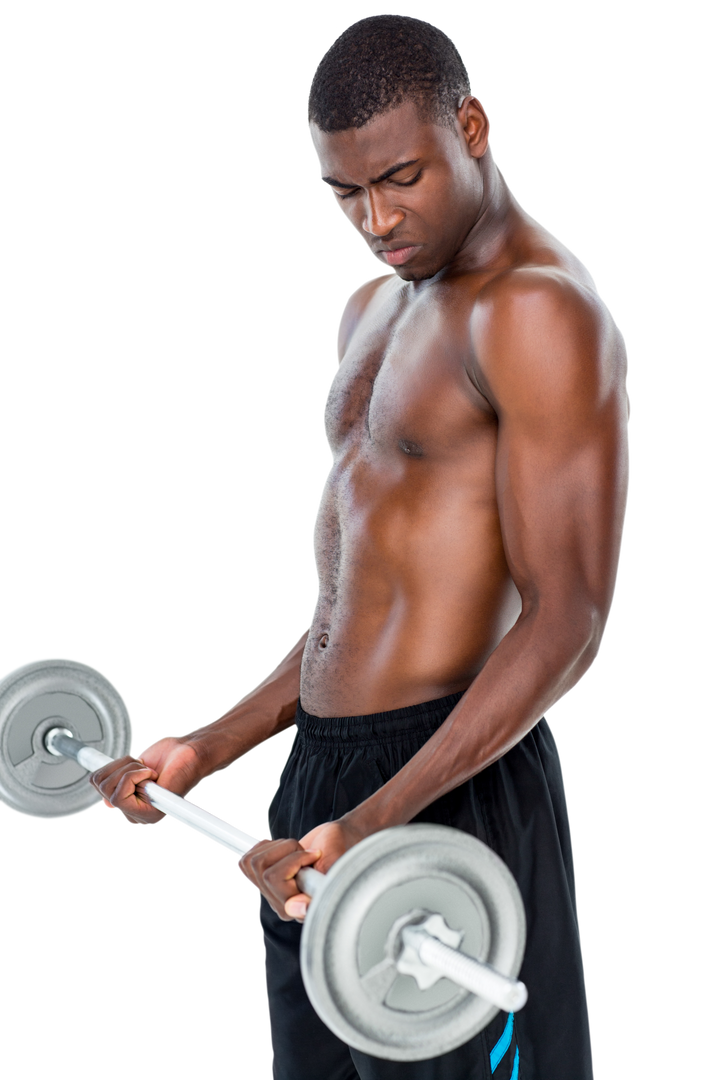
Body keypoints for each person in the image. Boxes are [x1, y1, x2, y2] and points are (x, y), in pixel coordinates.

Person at [89, 12, 631, 1079]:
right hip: (320, 791)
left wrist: (380, 816)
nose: (377, 218)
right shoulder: (371, 309)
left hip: (453, 791)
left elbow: (569, 619)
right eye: (345, 193)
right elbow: (359, 604)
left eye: (401, 178)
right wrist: (211, 746)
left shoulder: (539, 313)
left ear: (472, 126)